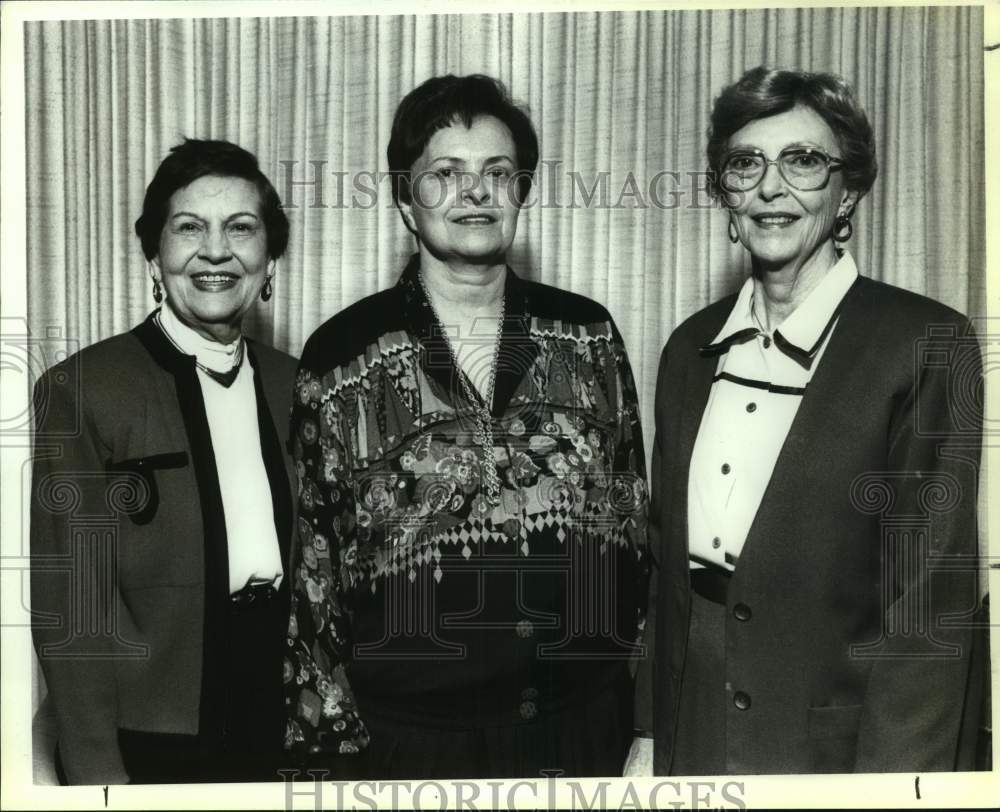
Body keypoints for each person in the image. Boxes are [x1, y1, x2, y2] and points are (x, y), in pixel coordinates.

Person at [284, 74, 649, 778]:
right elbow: (314, 579)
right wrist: (325, 764)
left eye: (498, 173)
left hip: (584, 730)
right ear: (404, 198)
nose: (475, 192)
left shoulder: (587, 335)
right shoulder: (341, 358)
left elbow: (634, 531)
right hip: (412, 744)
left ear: (522, 192)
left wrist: (642, 718)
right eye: (445, 174)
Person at [629, 67, 983, 775]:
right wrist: (648, 733)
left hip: (833, 743)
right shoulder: (689, 349)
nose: (771, 188)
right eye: (745, 164)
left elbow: (926, 610)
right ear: (724, 194)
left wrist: (891, 789)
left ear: (847, 190)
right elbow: (665, 569)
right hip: (691, 725)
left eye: (803, 161)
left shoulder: (925, 344)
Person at [29, 139, 363, 784]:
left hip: (289, 715)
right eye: (189, 228)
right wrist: (98, 776)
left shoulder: (300, 385)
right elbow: (73, 608)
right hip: (152, 732)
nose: (215, 251)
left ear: (269, 260)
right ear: (155, 256)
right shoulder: (84, 390)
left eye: (241, 228)